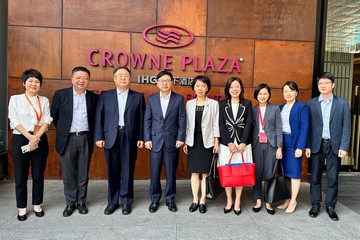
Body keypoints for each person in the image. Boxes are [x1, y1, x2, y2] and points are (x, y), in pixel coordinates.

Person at [94, 67, 145, 215]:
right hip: (111, 137)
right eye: (120, 76)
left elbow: (141, 118)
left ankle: (126, 202)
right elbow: (99, 116)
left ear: (130, 79)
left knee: (128, 170)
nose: (123, 78)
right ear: (114, 79)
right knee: (113, 171)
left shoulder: (138, 96)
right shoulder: (105, 96)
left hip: (130, 137)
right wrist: (98, 137)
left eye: (126, 76)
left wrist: (141, 137)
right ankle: (112, 202)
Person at [51, 66, 99, 217]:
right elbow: (55, 117)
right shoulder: (60, 95)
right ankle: (70, 203)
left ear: (88, 80)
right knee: (69, 173)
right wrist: (65, 130)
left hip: (85, 138)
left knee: (83, 173)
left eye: (84, 78)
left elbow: (96, 119)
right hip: (68, 139)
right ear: (72, 79)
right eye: (78, 77)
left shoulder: (94, 98)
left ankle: (81, 202)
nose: (81, 80)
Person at [8, 69, 53, 221]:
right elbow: (13, 120)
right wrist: (29, 137)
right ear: (24, 83)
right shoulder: (15, 99)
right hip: (21, 138)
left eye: (37, 81)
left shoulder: (44, 100)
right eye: (30, 81)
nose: (34, 84)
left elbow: (47, 120)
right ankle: (21, 208)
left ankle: (37, 204)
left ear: (40, 84)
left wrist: (36, 138)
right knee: (20, 176)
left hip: (40, 139)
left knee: (38, 174)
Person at [306, 72, 351, 221]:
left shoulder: (342, 103)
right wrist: (307, 146)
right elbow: (308, 127)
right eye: (320, 83)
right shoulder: (311, 103)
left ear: (333, 85)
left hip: (334, 145)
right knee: (315, 177)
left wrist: (344, 146)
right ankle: (315, 205)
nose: (323, 86)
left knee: (332, 178)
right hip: (316, 145)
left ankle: (331, 206)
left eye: (326, 83)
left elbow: (346, 127)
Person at [144, 70, 186, 213]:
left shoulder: (179, 99)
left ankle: (170, 199)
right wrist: (147, 138)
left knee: (170, 173)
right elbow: (147, 120)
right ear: (157, 83)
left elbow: (182, 119)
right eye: (162, 81)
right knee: (154, 173)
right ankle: (155, 200)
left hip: (172, 141)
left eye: (167, 80)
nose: (165, 83)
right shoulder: (152, 99)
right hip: (155, 141)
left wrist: (181, 138)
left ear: (172, 82)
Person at [183, 75, 219, 214]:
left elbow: (216, 124)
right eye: (197, 85)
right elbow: (187, 124)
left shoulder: (214, 104)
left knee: (205, 173)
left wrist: (216, 141)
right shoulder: (189, 104)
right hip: (193, 141)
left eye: (203, 86)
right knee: (194, 172)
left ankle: (203, 200)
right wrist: (186, 141)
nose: (200, 88)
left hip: (207, 141)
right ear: (194, 87)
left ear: (207, 88)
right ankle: (195, 200)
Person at [218, 76, 253, 215]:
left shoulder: (247, 103)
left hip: (243, 144)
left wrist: (243, 142)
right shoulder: (222, 104)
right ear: (228, 89)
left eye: (237, 86)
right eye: (232, 87)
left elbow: (249, 123)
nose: (234, 89)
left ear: (241, 88)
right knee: (228, 173)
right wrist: (229, 143)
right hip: (228, 145)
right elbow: (221, 124)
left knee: (240, 173)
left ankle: (238, 200)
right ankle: (229, 200)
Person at [277, 81, 309, 214]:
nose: (288, 94)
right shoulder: (280, 108)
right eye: (285, 91)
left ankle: (293, 200)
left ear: (296, 92)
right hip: (281, 142)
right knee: (284, 173)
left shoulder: (302, 108)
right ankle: (287, 198)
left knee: (294, 173)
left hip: (294, 143)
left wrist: (300, 147)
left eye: (291, 91)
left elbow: (304, 128)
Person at [251, 84, 283, 215]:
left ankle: (269, 201)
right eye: (260, 94)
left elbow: (278, 128)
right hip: (256, 144)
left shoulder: (275, 108)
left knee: (269, 173)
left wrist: (279, 147)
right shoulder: (252, 110)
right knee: (257, 173)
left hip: (271, 144)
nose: (262, 96)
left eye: (265, 93)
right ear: (256, 95)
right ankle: (258, 200)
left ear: (269, 95)